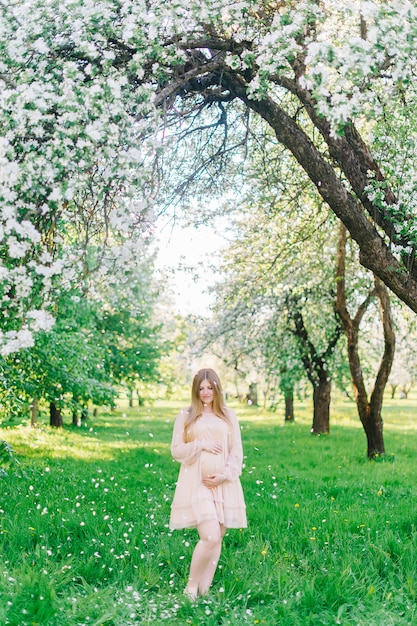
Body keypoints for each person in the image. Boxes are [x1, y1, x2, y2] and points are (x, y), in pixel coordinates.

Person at [169, 368, 247, 599]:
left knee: (218, 537)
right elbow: (177, 451)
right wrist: (200, 444)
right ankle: (191, 586)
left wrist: (226, 474)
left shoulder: (227, 415)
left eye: (209, 387)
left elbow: (236, 451)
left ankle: (205, 589)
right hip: (198, 483)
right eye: (201, 388)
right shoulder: (186, 415)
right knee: (210, 536)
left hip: (224, 483)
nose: (205, 392)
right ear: (195, 390)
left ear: (217, 388)